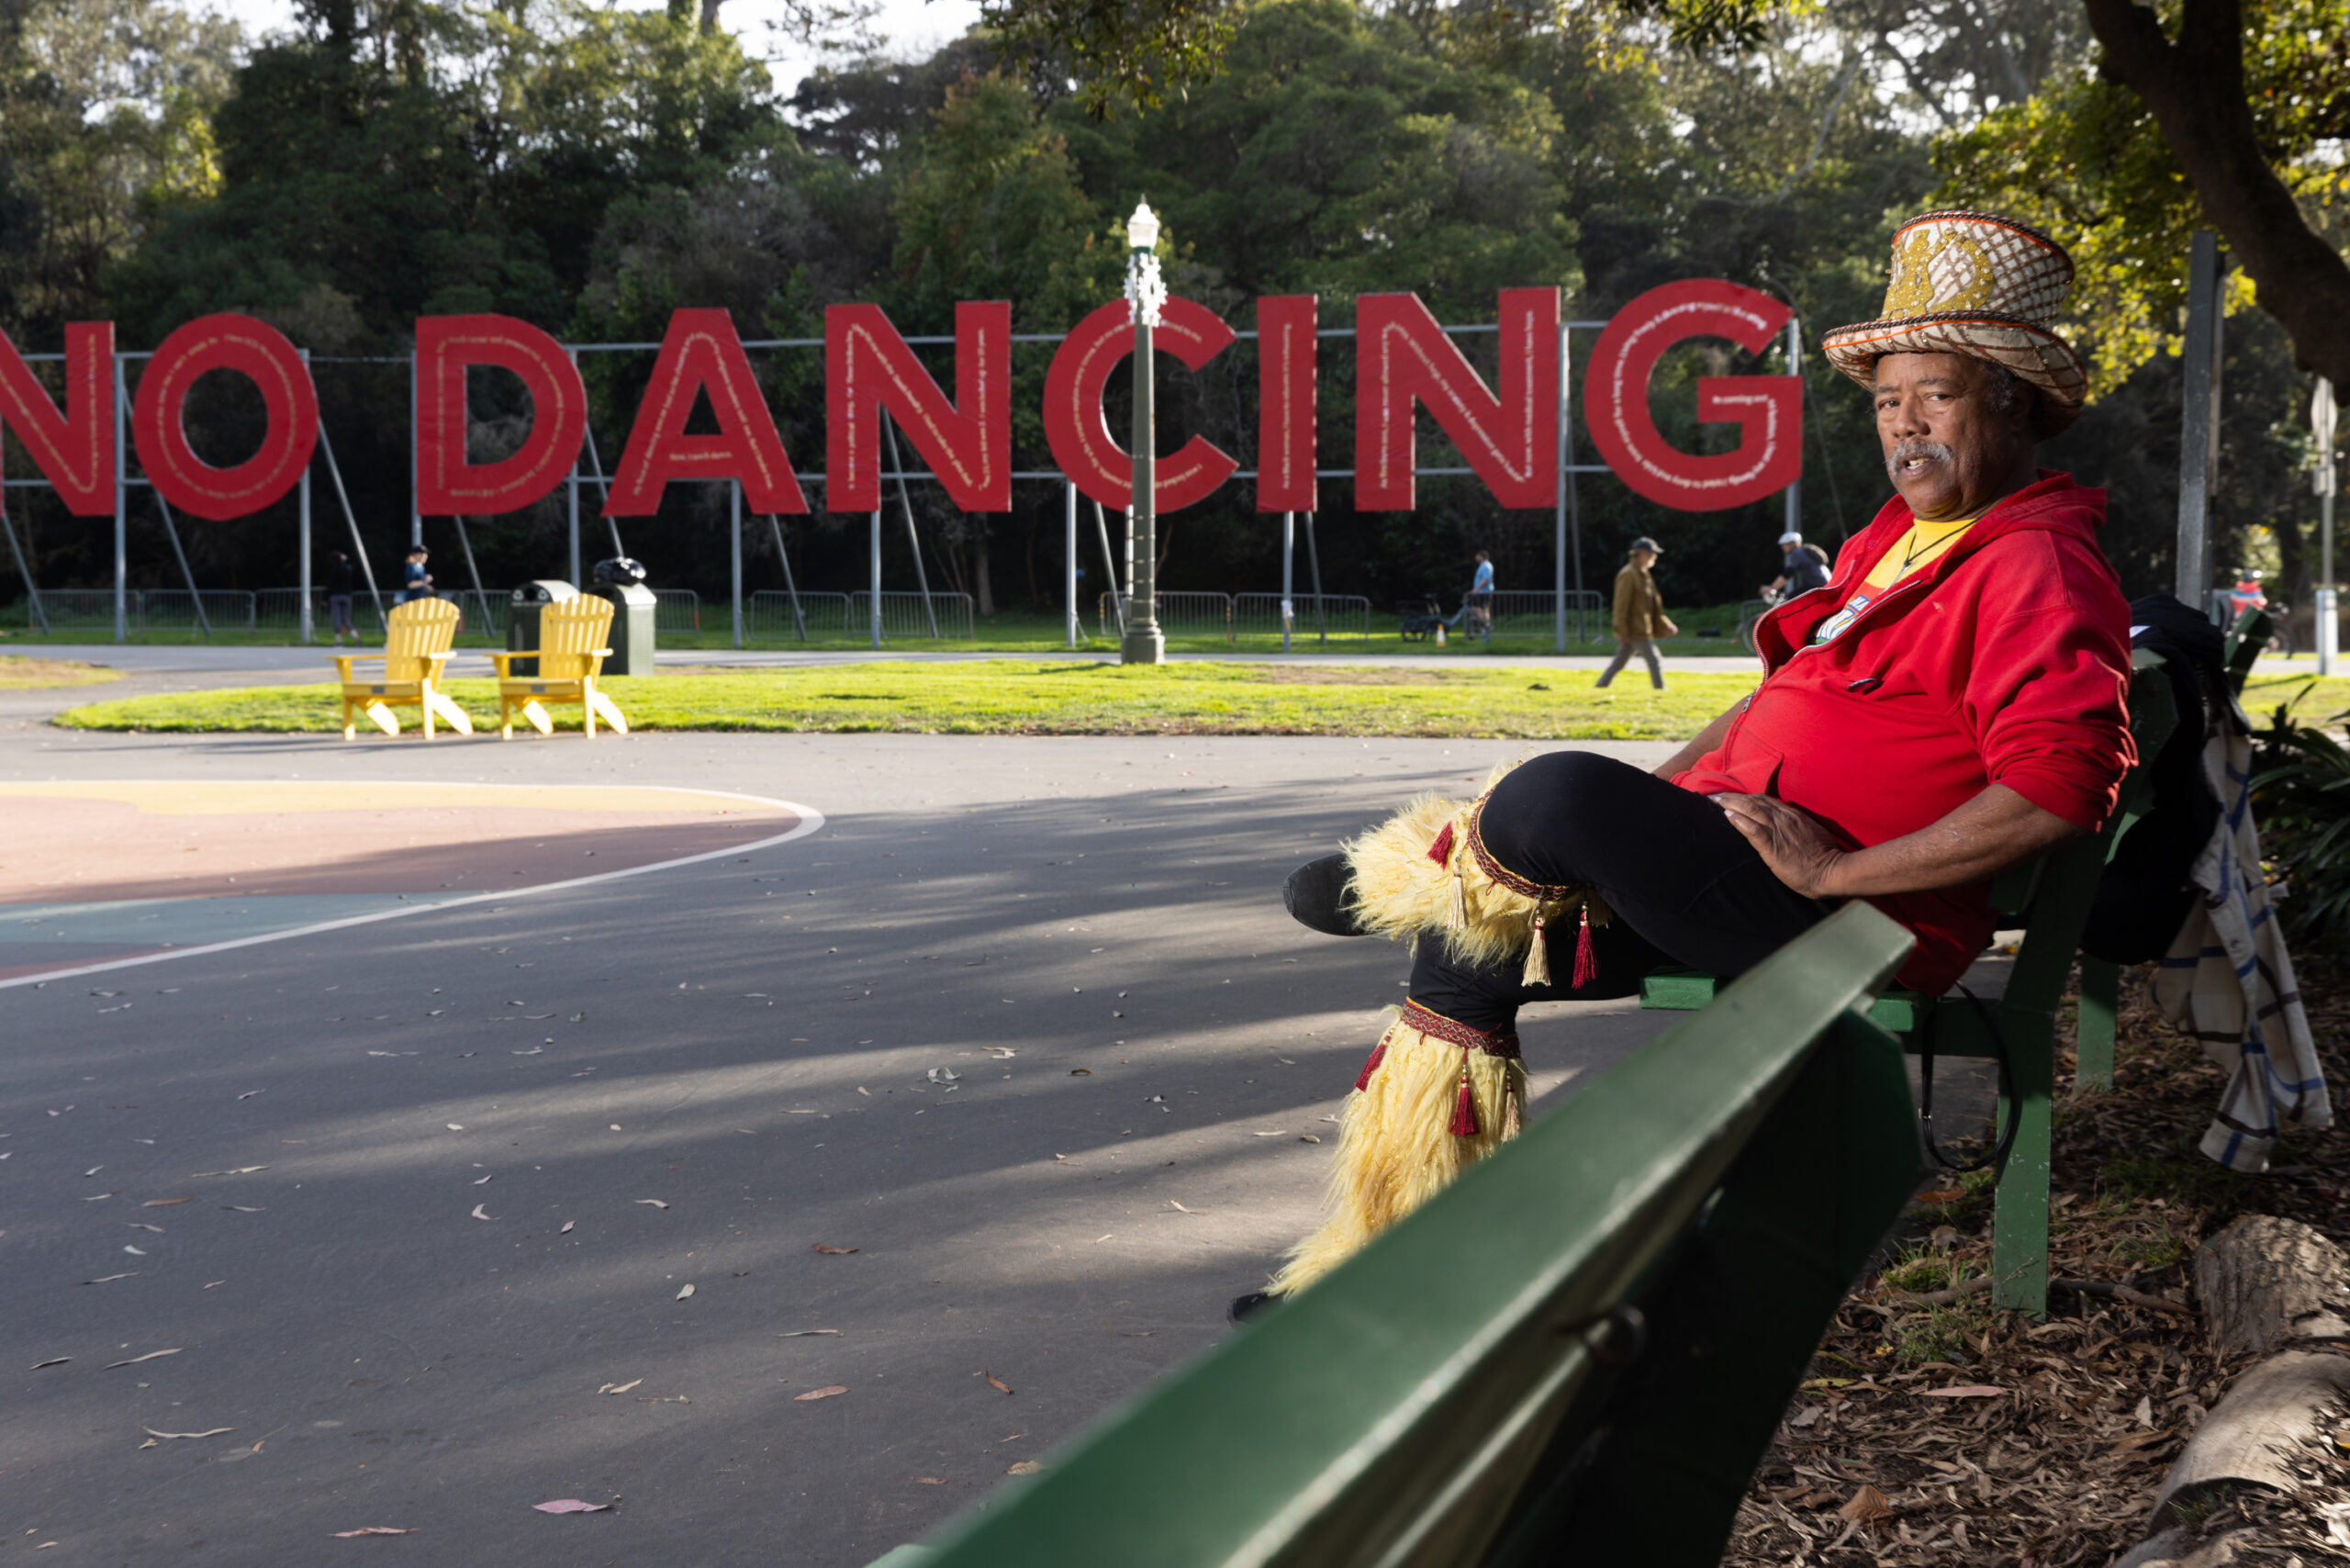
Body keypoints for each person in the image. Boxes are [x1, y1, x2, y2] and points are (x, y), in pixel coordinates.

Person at [1238, 209, 2133, 1319]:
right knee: (1475, 920)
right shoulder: (1894, 540)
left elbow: (2059, 786)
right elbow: (1773, 702)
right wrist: (1637, 829)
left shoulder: (2035, 564)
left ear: (2011, 400)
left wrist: (1832, 876)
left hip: (1846, 925)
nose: (1904, 427)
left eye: (1935, 396)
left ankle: (1414, 875)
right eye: (1885, 401)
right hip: (1730, 872)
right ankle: (1391, 1264)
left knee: (1551, 793)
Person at [1595, 537, 1674, 689]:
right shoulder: (1628, 574)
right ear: (1639, 554)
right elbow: (1620, 605)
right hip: (1635, 629)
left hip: (1640, 628)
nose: (1654, 556)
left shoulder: (1644, 575)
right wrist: (1621, 631)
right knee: (1654, 660)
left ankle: (1599, 687)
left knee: (1618, 663)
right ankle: (1660, 690)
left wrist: (1666, 625)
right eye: (1651, 553)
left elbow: (1651, 607)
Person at [1763, 530, 1831, 600]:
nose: (1782, 547)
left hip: (1816, 585)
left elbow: (1787, 574)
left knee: (1791, 599)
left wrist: (1772, 588)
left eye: (1784, 544)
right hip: (1825, 583)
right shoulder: (1804, 551)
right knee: (1796, 597)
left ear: (1792, 544)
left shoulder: (1797, 553)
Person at [325, 550, 357, 644]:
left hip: (335, 596)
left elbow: (329, 585)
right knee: (345, 618)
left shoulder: (333, 569)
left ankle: (338, 640)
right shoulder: (347, 569)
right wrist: (346, 559)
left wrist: (325, 599)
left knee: (336, 618)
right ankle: (355, 635)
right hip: (346, 596)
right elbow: (354, 564)